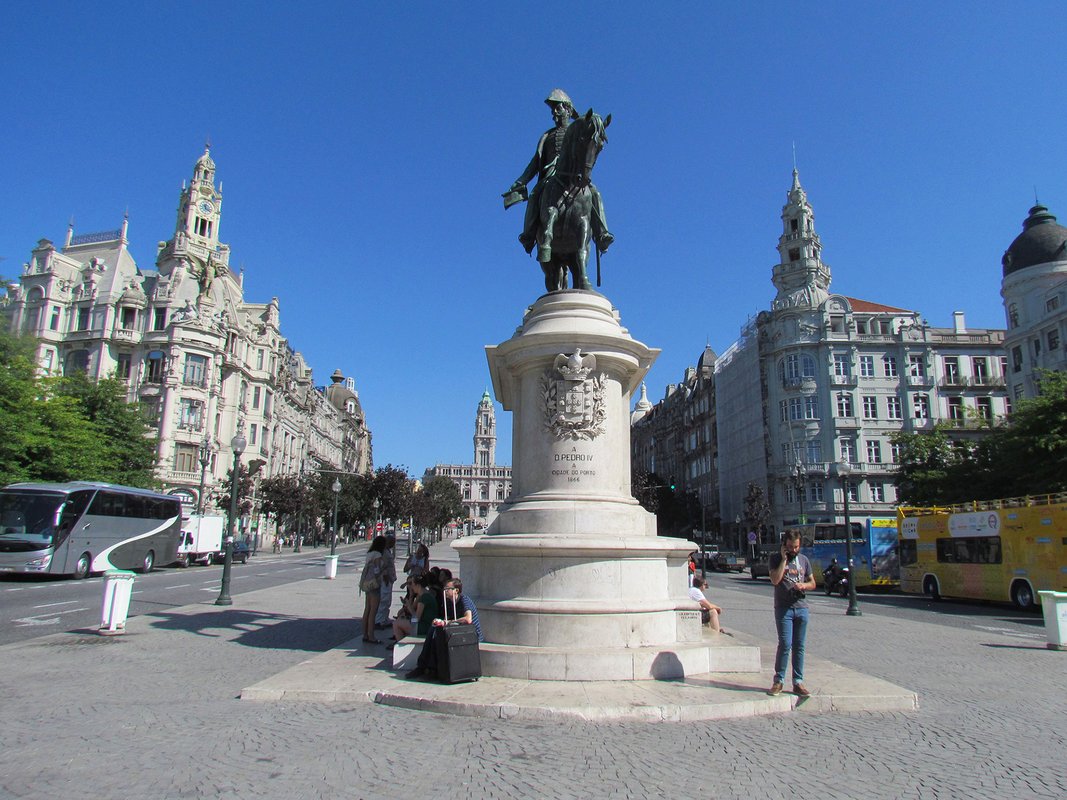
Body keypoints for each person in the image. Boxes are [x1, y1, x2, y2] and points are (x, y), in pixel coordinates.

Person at [504, 88, 613, 255]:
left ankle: (602, 234)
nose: (554, 112)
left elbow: (587, 151)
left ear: (568, 109)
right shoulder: (547, 136)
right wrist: (522, 181)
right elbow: (536, 161)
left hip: (575, 176)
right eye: (553, 109)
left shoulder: (577, 132)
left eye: (558, 107)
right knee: (535, 195)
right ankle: (529, 234)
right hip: (551, 176)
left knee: (595, 194)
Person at [768, 530, 816, 696]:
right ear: (784, 545)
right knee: (785, 644)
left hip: (802, 607)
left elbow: (812, 582)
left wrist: (804, 586)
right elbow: (775, 580)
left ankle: (798, 682)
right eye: (790, 546)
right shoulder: (775, 558)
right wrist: (783, 559)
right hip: (784, 608)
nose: (794, 550)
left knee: (799, 646)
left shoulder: (804, 560)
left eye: (796, 547)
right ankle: (778, 680)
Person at [406, 578, 482, 680]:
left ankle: (429, 668)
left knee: (438, 635)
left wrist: (447, 622)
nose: (445, 591)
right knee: (434, 630)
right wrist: (441, 621)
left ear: (456, 590)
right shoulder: (449, 602)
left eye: (448, 589)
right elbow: (449, 619)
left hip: (469, 634)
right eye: (444, 588)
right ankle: (425, 667)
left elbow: (468, 619)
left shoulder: (464, 600)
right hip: (456, 630)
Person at [390, 573, 438, 647]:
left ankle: (401, 648)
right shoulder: (426, 594)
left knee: (396, 624)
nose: (411, 586)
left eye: (412, 584)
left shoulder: (424, 598)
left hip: (425, 627)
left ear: (417, 585)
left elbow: (416, 618)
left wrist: (409, 607)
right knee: (402, 621)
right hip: (429, 625)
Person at [359, 536, 388, 644]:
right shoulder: (378, 555)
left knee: (367, 609)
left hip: (367, 583)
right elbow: (377, 569)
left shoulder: (369, 553)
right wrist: (382, 572)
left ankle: (365, 634)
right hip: (374, 584)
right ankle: (371, 635)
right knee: (373, 611)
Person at [374, 534, 398, 630]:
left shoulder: (387, 551)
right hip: (386, 579)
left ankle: (384, 619)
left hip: (389, 578)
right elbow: (382, 565)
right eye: (392, 542)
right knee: (384, 600)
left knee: (387, 600)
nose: (393, 544)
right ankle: (379, 621)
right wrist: (385, 576)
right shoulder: (384, 552)